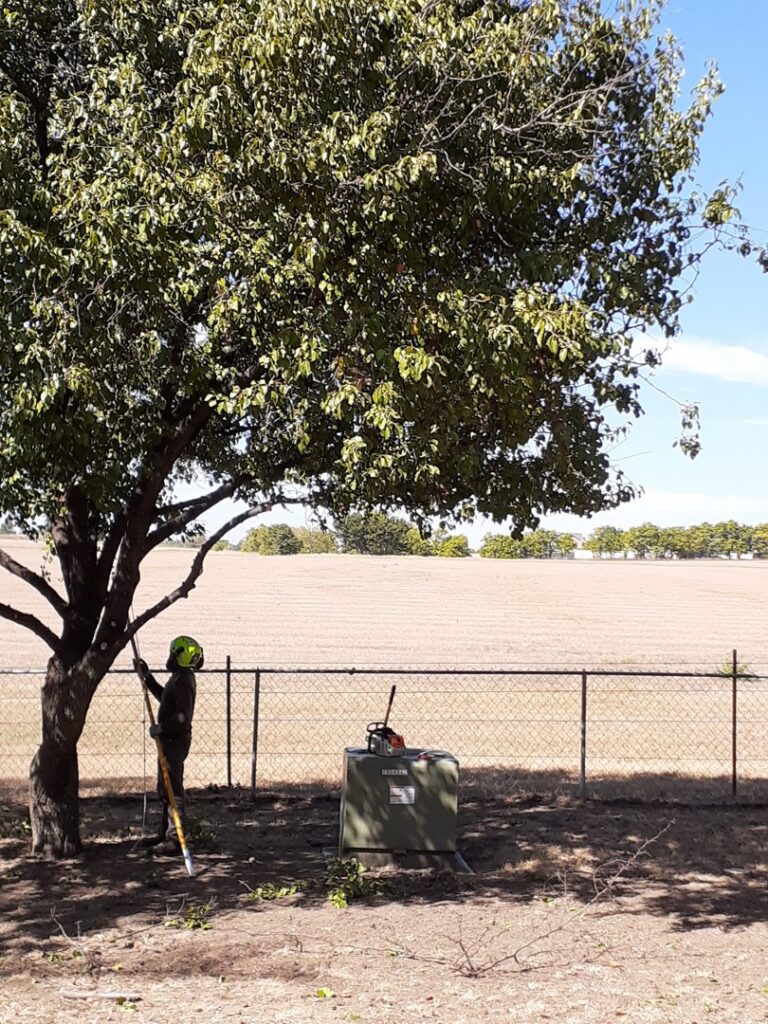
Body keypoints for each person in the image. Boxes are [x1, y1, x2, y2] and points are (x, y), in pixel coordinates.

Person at [134, 635, 203, 854]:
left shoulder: (183, 681)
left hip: (175, 742)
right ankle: (164, 833)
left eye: (174, 654)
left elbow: (182, 718)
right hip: (168, 741)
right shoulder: (177, 678)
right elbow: (165, 697)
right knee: (165, 788)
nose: (170, 658)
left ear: (181, 657)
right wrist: (147, 677)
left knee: (173, 788)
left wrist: (161, 729)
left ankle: (175, 839)